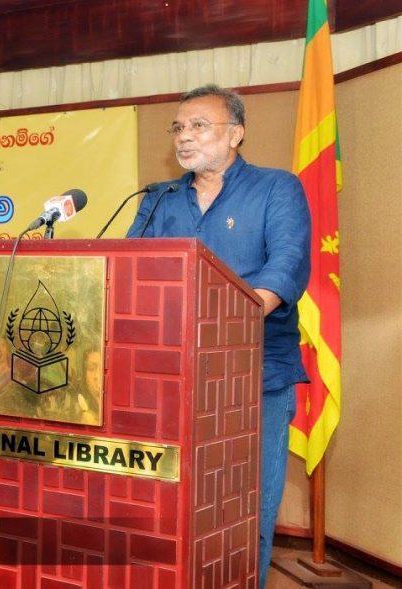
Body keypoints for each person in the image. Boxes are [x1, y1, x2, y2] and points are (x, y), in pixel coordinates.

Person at [127, 84, 310, 588]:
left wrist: (229, 319)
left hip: (254, 375)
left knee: (245, 506)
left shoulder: (276, 188)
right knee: (172, 502)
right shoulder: (159, 198)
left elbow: (286, 265)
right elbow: (128, 268)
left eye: (199, 126)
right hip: (169, 377)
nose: (184, 137)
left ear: (236, 134)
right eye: (179, 127)